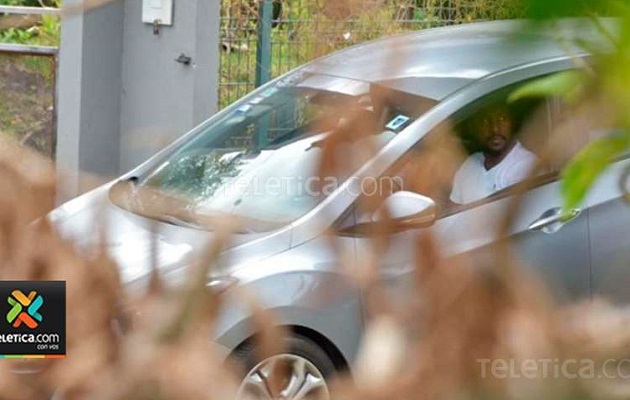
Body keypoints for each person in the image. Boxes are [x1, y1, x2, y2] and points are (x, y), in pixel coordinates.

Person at [449, 105, 537, 204]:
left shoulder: (528, 165)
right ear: (476, 128)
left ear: (512, 123)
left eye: (502, 118)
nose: (495, 129)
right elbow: (453, 209)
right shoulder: (470, 163)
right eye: (485, 121)